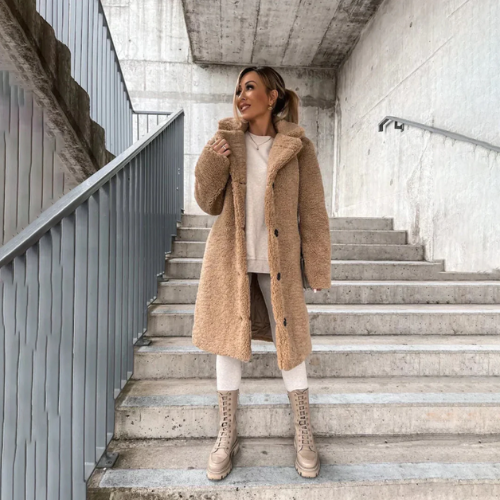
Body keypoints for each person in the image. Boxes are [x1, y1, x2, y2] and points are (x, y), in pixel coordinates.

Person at [192, 66, 331, 481]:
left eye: (249, 87)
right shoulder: (225, 141)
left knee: (292, 344)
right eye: (238, 89)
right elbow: (206, 202)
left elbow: (313, 211)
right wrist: (211, 161)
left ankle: (303, 430)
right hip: (231, 259)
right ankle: (226, 432)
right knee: (227, 343)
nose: (241, 95)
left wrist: (316, 268)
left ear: (272, 97)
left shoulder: (298, 147)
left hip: (278, 262)